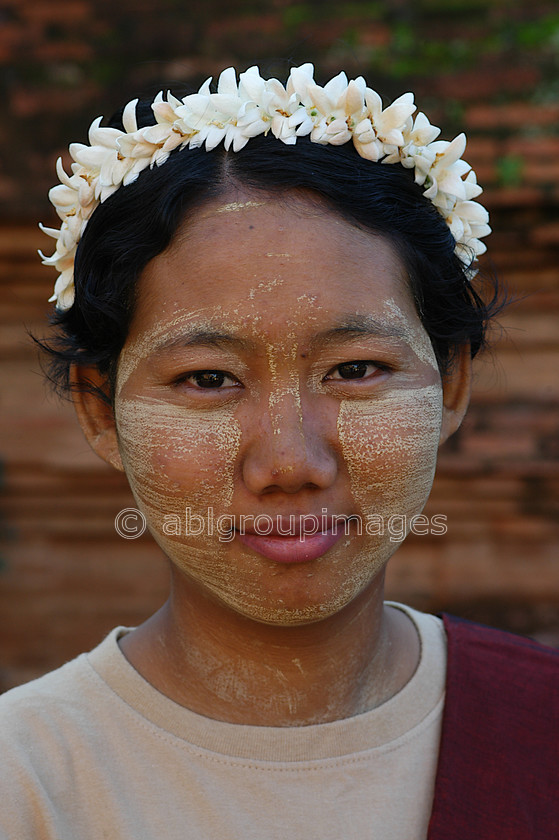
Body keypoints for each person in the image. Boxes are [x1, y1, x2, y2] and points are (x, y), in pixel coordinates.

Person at [1, 64, 557, 839]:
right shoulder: (24, 780)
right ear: (101, 409)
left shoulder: (540, 726)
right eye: (206, 379)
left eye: (356, 369)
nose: (289, 463)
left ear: (451, 384)